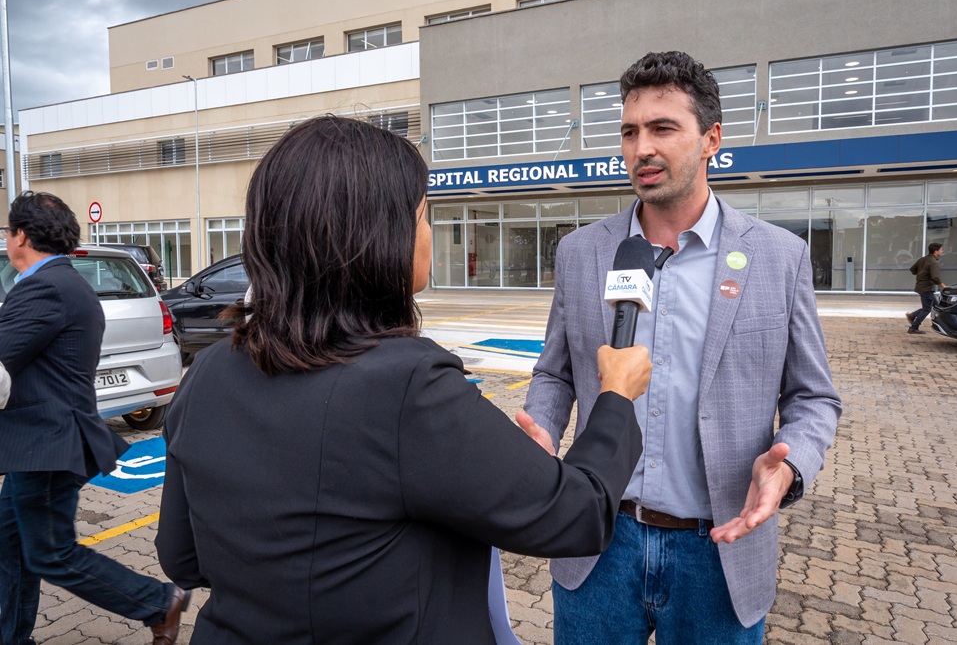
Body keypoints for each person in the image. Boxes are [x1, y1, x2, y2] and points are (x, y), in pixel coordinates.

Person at [154, 114, 652, 644]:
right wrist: (616, 396)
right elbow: (579, 514)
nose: (429, 235)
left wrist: (495, 469)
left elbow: (182, 556)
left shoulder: (207, 372)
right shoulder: (407, 385)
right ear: (379, 235)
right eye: (423, 216)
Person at [519, 51, 843, 644]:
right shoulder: (581, 252)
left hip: (719, 551)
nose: (642, 147)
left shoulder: (778, 257)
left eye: (663, 128)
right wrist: (541, 426)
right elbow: (556, 373)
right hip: (598, 543)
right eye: (630, 131)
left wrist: (791, 463)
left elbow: (814, 397)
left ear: (711, 138)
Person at [0, 192, 189, 645]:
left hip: (44, 444)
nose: (8, 239)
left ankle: (157, 602)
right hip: (52, 439)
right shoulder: (71, 283)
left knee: (50, 553)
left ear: (21, 236)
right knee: (11, 546)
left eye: (9, 231)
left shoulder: (43, 286)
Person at [906, 242, 946, 334]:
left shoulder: (923, 259)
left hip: (921, 287)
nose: (942, 251)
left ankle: (912, 315)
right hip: (926, 288)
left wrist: (921, 274)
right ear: (936, 251)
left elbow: (913, 269)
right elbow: (935, 277)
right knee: (927, 309)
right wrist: (944, 286)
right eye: (941, 249)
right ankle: (914, 327)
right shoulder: (934, 262)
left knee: (935, 305)